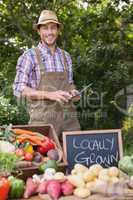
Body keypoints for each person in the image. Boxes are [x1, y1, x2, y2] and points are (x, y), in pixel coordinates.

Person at [13, 10, 80, 137]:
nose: (50, 32)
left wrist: (74, 92)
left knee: (74, 156)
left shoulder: (66, 57)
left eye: (53, 28)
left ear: (58, 30)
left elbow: (70, 84)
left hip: (69, 123)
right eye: (45, 28)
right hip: (43, 124)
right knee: (45, 157)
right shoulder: (29, 56)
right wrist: (50, 95)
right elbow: (19, 89)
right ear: (39, 31)